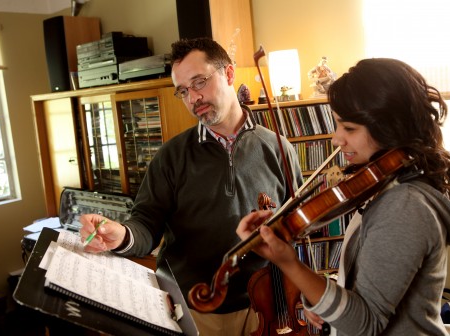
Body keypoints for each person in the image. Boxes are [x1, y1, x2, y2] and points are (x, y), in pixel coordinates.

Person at [79, 37, 303, 336]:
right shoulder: (171, 156)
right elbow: (145, 224)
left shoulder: (278, 148)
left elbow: (296, 227)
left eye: (199, 82)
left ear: (229, 74)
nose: (193, 98)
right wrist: (120, 235)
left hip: (264, 306)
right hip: (194, 310)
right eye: (183, 91)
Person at [237, 58, 450, 335]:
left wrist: (289, 263)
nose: (337, 139)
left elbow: (366, 325)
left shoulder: (405, 204)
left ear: (390, 127)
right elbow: (363, 293)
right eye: (337, 125)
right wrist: (321, 299)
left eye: (349, 128)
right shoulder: (383, 189)